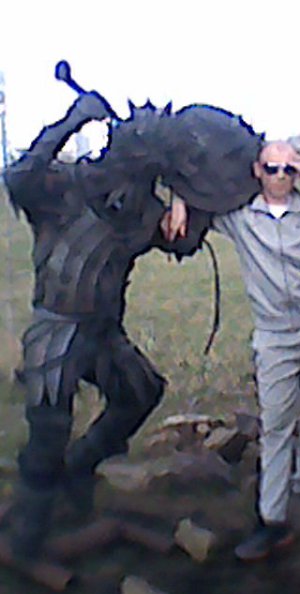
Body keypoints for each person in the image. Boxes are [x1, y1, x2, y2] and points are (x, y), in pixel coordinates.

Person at [3, 87, 260, 560]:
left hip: (102, 333)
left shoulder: (142, 211)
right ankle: (29, 531)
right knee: (48, 430)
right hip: (56, 331)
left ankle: (79, 470)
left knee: (141, 393)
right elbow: (18, 177)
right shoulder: (65, 189)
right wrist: (72, 120)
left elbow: (185, 242)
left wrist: (187, 200)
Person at [163, 140, 300, 561]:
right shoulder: (240, 216)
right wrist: (179, 199)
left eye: (288, 170)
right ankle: (271, 519)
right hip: (275, 337)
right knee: (276, 425)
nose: (279, 177)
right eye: (272, 168)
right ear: (257, 170)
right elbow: (197, 195)